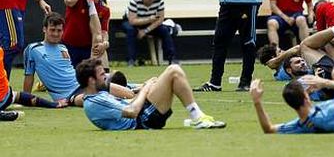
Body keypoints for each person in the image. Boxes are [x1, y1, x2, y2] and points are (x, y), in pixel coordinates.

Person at [77, 58, 226, 131]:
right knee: (173, 70)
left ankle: (197, 117)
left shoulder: (97, 95)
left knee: (170, 74)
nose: (105, 76)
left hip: (143, 115)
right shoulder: (95, 101)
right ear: (91, 80)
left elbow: (129, 104)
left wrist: (147, 88)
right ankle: (197, 117)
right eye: (102, 74)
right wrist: (145, 89)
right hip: (143, 120)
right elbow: (132, 111)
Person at [23, 12, 133, 107]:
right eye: (52, 30)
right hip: (69, 96)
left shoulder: (63, 48)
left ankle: (139, 90)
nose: (56, 34)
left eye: (59, 30)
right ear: (44, 29)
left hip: (83, 83)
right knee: (98, 100)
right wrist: (25, 99)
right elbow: (29, 76)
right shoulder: (33, 49)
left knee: (129, 93)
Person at [249, 78, 334, 134]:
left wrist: (257, 102)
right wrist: (326, 83)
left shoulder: (300, 125)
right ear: (306, 97)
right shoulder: (329, 112)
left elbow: (269, 129)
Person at [62, 0, 111, 70]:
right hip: (69, 47)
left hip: (88, 49)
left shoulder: (104, 9)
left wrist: (105, 43)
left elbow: (104, 31)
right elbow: (68, 0)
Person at [122, 0, 178, 66]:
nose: (151, 0)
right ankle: (131, 60)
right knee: (130, 31)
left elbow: (160, 19)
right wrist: (149, 19)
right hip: (132, 23)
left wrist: (145, 31)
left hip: (150, 24)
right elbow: (132, 21)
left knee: (164, 30)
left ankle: (172, 59)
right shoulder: (135, 0)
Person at [1, 46, 66, 112]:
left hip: (4, 96)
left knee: (14, 96)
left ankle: (54, 104)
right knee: (15, 96)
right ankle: (54, 104)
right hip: (6, 95)